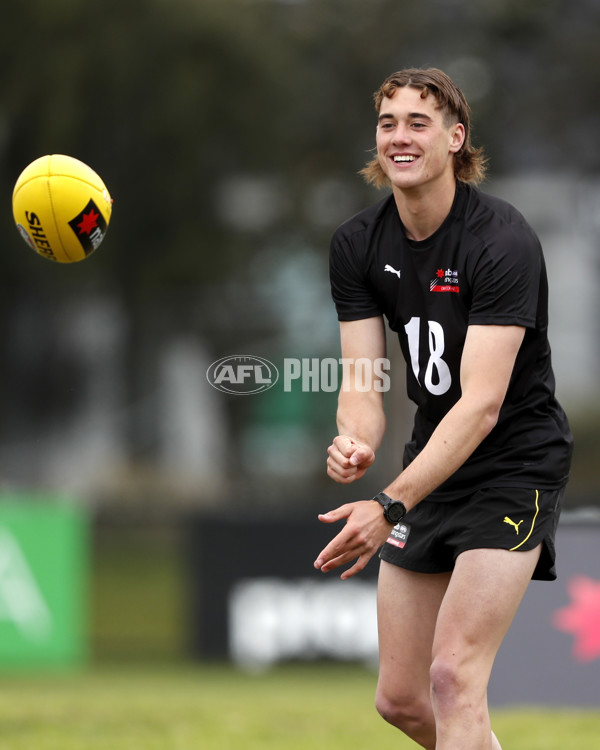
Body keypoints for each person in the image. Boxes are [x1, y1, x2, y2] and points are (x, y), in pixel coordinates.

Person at [313, 67, 573, 750]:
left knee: (454, 679)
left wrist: (389, 503)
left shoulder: (501, 241)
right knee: (400, 700)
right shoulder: (357, 245)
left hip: (515, 467)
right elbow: (364, 379)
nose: (398, 136)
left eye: (417, 123)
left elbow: (482, 407)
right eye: (387, 122)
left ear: (456, 139)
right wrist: (356, 440)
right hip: (433, 464)